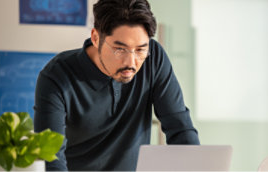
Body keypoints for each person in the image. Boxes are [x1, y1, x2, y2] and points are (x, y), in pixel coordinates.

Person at [33, 0, 200, 171]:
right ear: (96, 38)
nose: (131, 63)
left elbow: (180, 130)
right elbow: (51, 160)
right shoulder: (56, 77)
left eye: (141, 49)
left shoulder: (154, 58)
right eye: (120, 49)